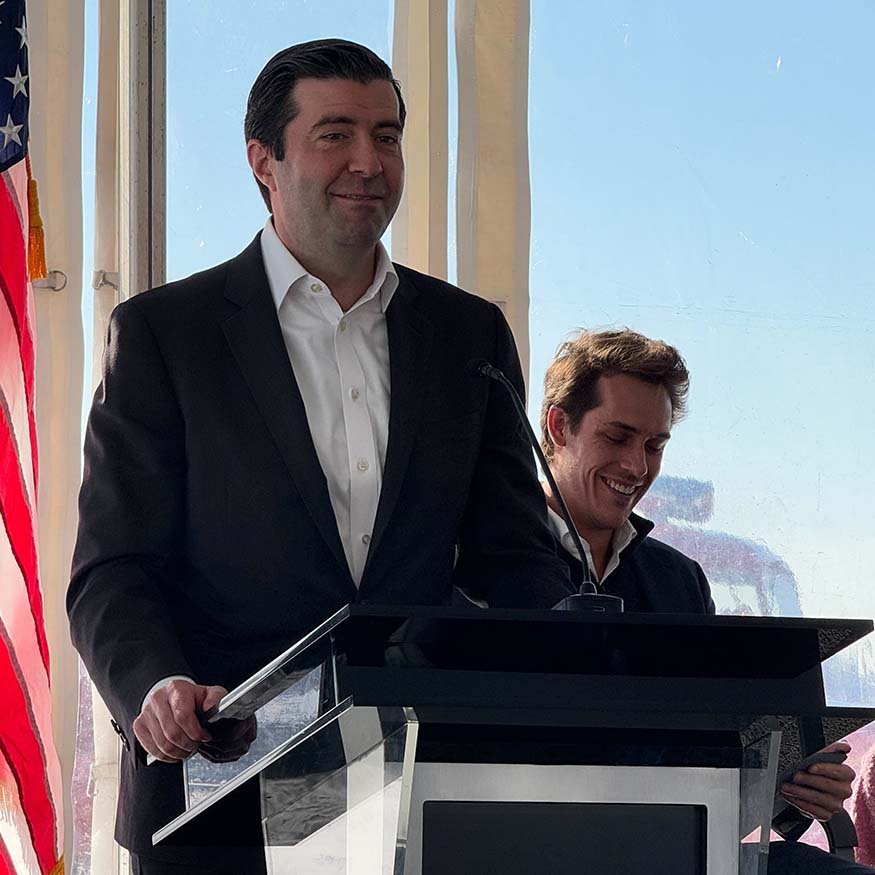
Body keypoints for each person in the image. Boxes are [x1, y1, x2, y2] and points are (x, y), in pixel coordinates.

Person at [67, 39, 572, 874]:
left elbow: (512, 554)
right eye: (335, 133)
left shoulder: (466, 336)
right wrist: (155, 687)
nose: (368, 162)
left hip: (413, 787)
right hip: (218, 782)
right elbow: (113, 568)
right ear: (263, 160)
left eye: (387, 135)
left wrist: (574, 651)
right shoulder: (167, 334)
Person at [539, 327, 871, 874]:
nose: (637, 467)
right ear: (559, 426)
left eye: (654, 446)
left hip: (677, 848)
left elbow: (715, 760)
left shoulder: (679, 581)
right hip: (522, 842)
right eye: (618, 437)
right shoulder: (482, 561)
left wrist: (797, 786)